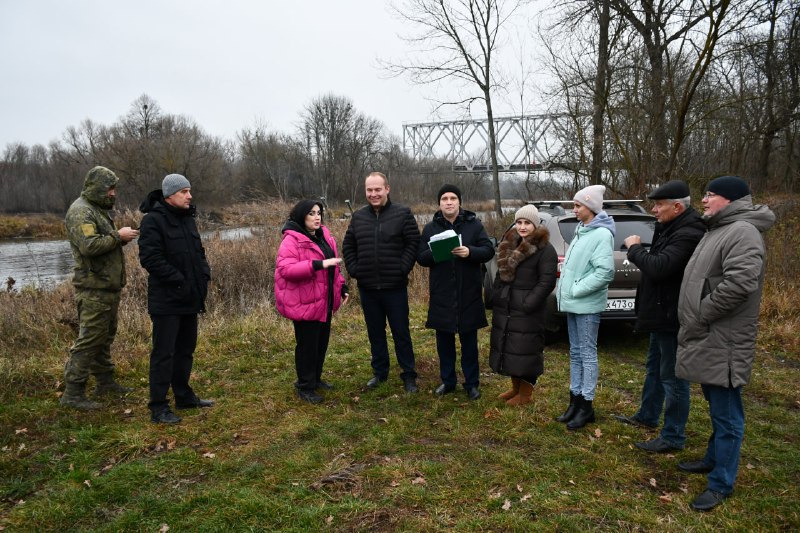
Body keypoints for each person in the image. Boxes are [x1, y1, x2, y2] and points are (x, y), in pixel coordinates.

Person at [675, 175, 775, 511]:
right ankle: (712, 459)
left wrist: (702, 312)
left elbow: (740, 283)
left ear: (730, 200)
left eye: (710, 194)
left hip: (724, 339)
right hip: (709, 335)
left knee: (727, 414)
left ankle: (721, 483)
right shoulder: (718, 229)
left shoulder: (742, 232)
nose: (703, 200)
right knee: (716, 403)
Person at [614, 180, 706, 453]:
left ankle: (673, 436)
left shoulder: (689, 232)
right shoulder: (670, 227)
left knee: (673, 376)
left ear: (677, 207)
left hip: (672, 316)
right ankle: (648, 415)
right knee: (655, 368)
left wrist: (635, 248)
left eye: (659, 205)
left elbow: (659, 267)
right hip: (659, 312)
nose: (654, 210)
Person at [61, 166, 139, 410]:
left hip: (106, 287)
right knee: (90, 339)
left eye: (114, 189)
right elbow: (89, 246)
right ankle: (73, 393)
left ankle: (105, 382)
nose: (113, 193)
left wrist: (119, 239)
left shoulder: (96, 210)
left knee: (104, 337)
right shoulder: (81, 212)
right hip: (93, 289)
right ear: (97, 188)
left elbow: (101, 245)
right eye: (109, 189)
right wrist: (118, 236)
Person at [138, 174, 213, 424]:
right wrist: (179, 280)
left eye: (189, 190)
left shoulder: (188, 218)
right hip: (167, 300)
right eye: (184, 191)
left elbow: (198, 252)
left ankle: (184, 396)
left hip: (190, 297)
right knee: (164, 353)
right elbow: (150, 259)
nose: (189, 196)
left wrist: (204, 274)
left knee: (185, 350)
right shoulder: (152, 221)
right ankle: (158, 406)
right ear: (170, 195)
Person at [342, 172, 421, 393]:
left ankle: (408, 375)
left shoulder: (403, 214)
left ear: (387, 189)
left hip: (395, 287)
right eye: (369, 190)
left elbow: (413, 243)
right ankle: (379, 372)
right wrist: (355, 270)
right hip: (368, 287)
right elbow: (348, 246)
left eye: (378, 189)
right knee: (375, 333)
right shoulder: (358, 217)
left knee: (401, 332)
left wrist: (402, 269)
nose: (373, 194)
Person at [417, 184, 495, 400]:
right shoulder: (431, 228)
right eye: (444, 199)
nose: (449, 202)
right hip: (441, 293)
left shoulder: (474, 225)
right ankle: (448, 381)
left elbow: (488, 250)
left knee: (469, 342)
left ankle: (471, 383)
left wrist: (469, 252)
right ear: (439, 203)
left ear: (459, 201)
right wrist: (437, 252)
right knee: (444, 342)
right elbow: (421, 257)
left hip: (468, 292)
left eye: (453, 198)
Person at [274, 199, 349, 404]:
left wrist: (342, 287)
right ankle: (304, 386)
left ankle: (315, 379)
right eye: (312, 213)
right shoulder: (291, 240)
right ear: (301, 216)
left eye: (319, 213)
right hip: (304, 302)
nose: (317, 217)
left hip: (323, 301)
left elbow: (334, 267)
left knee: (320, 343)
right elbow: (286, 270)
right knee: (307, 346)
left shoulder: (324, 236)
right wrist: (317, 264)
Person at [555, 184, 615, 430]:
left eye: (578, 205)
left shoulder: (601, 234)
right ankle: (575, 400)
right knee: (576, 352)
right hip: (574, 303)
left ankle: (586, 406)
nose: (574, 209)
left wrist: (576, 289)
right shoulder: (582, 230)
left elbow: (605, 272)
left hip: (586, 304)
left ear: (591, 207)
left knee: (587, 354)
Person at [488, 205, 558, 406]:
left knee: (527, 348)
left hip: (528, 310)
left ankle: (526, 394)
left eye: (527, 223)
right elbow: (500, 274)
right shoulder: (509, 244)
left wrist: (528, 303)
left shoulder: (546, 250)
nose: (522, 226)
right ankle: (516, 388)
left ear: (535, 224)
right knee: (512, 348)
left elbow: (546, 282)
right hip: (507, 306)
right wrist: (497, 296)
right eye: (519, 222)